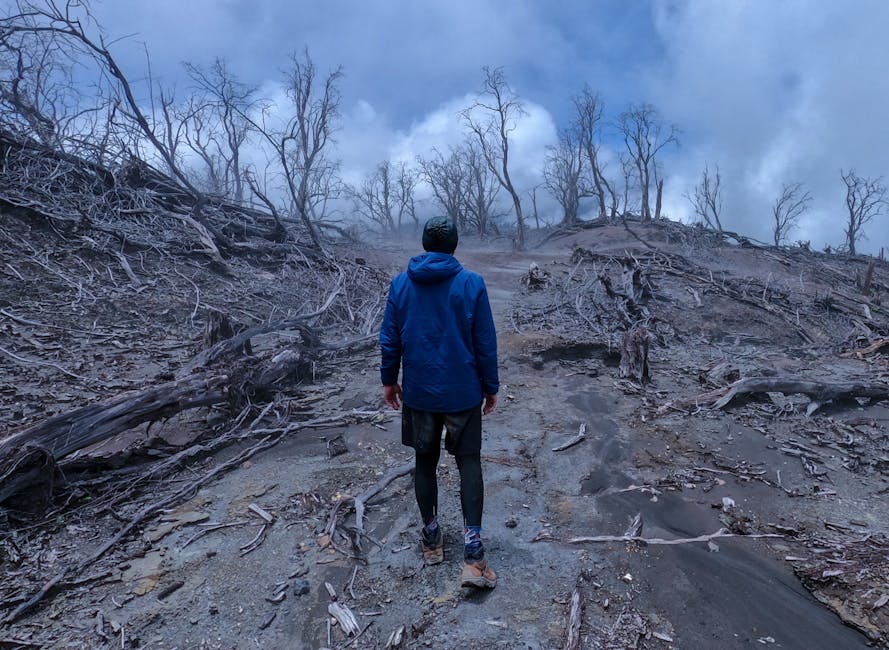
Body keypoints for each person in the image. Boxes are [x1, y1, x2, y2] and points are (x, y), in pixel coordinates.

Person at [379, 216, 499, 589]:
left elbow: (390, 339)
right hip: (463, 393)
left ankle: (432, 541)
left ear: (424, 243)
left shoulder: (401, 284)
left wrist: (389, 380)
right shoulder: (471, 284)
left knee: (424, 462)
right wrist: (490, 386)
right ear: (454, 245)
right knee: (468, 464)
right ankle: (474, 557)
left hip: (419, 392)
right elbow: (485, 342)